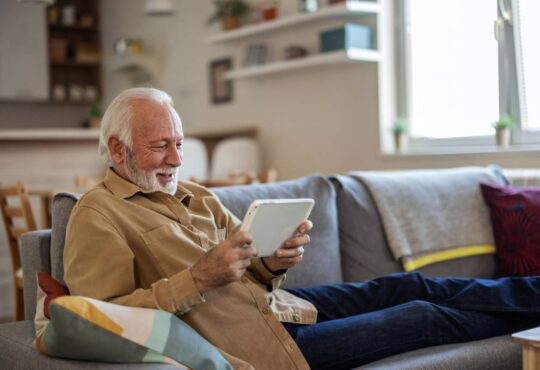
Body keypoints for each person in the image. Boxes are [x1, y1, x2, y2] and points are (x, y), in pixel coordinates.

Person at [64, 88, 540, 370]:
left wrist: (270, 262)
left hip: (283, 310)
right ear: (118, 148)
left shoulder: (196, 195)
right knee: (423, 316)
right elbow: (100, 318)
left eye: (180, 143)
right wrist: (198, 279)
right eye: (160, 145)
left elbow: (248, 271)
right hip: (253, 345)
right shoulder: (98, 215)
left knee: (410, 284)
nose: (176, 158)